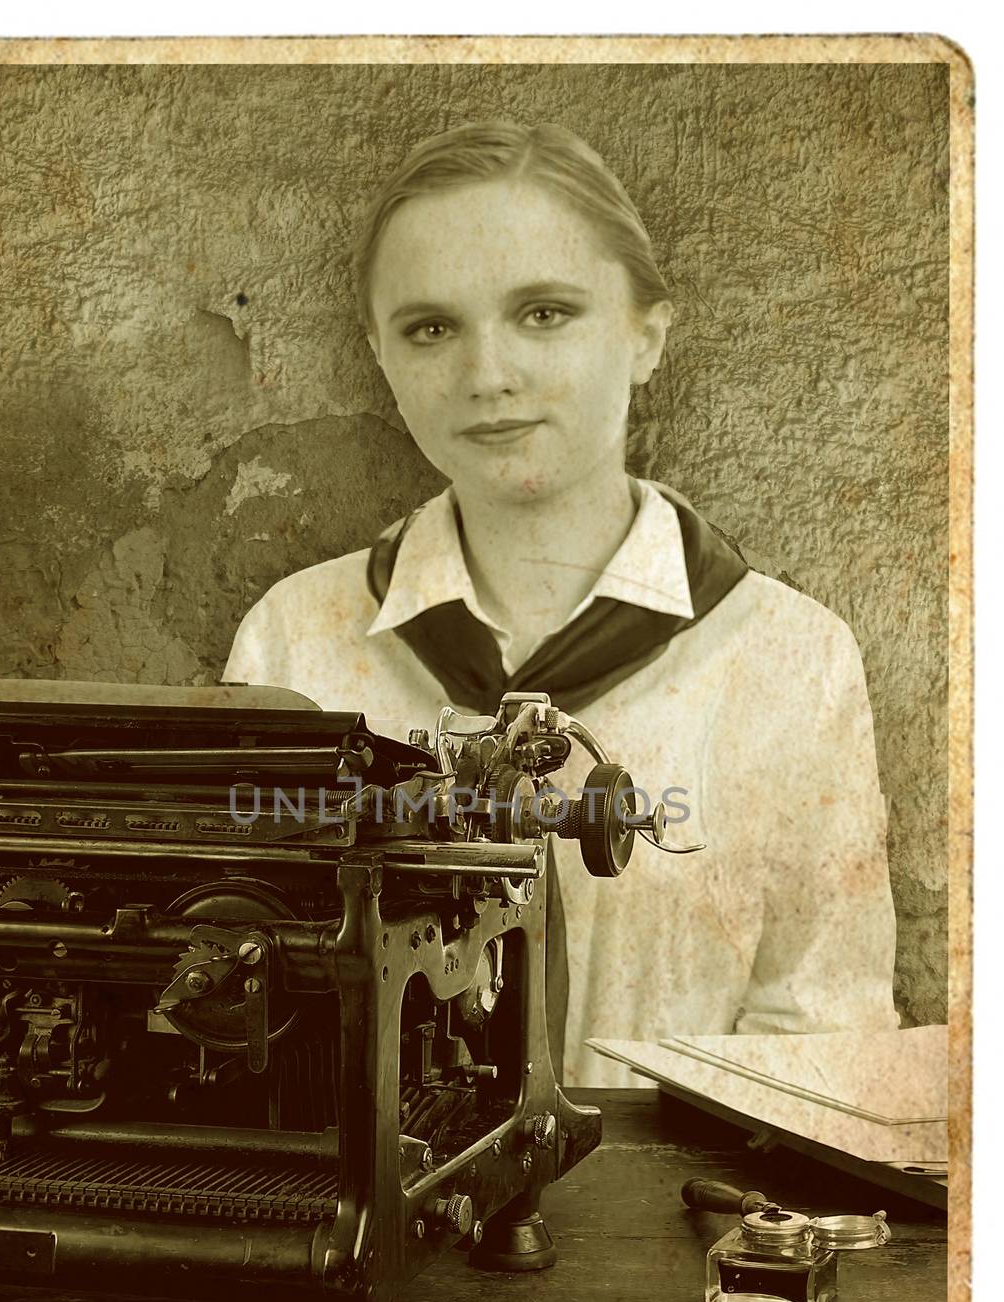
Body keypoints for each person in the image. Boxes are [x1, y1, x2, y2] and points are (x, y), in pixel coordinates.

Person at [223, 121, 899, 1087]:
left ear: (645, 336)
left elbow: (825, 1045)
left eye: (544, 313)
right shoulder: (295, 643)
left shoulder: (789, 656)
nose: (487, 375)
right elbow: (248, 987)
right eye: (430, 328)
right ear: (380, 358)